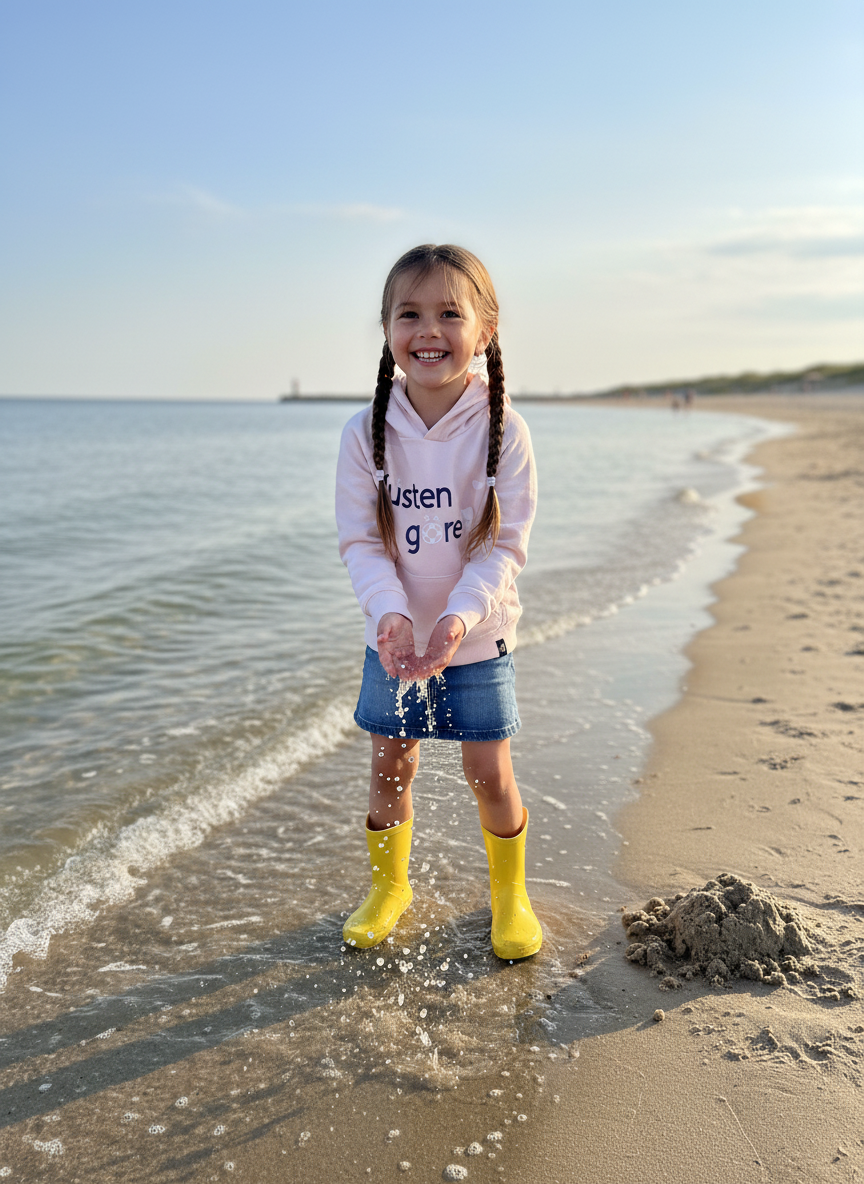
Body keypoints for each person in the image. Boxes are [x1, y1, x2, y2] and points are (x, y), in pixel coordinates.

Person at [335, 244, 542, 961]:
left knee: (489, 773)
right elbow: (361, 542)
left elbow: (504, 546)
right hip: (392, 636)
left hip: (477, 636)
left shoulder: (504, 429)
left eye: (450, 313)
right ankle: (389, 888)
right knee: (391, 765)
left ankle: (510, 897)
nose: (429, 330)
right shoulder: (363, 432)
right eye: (409, 314)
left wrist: (458, 616)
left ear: (485, 330)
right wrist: (390, 613)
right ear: (387, 328)